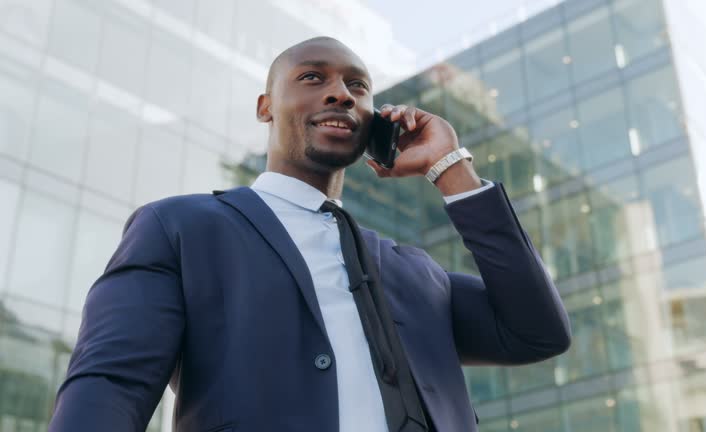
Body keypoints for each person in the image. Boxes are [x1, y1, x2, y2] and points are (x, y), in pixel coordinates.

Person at [49, 37, 570, 432]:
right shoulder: (180, 228)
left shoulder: (417, 269)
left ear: (373, 119)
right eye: (312, 78)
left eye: (357, 87)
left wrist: (452, 169)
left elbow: (538, 331)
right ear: (265, 107)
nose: (340, 94)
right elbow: (110, 385)